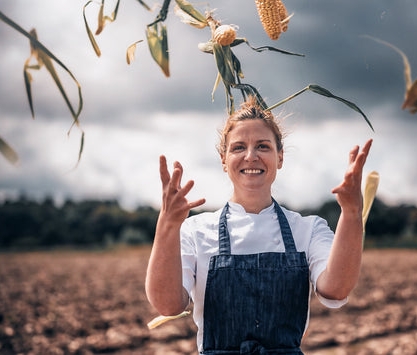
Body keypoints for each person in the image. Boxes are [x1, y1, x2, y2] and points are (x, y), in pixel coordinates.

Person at [145, 97, 373, 354]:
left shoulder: (308, 229)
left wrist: (351, 213)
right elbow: (168, 305)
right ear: (223, 159)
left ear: (280, 157)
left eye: (263, 146)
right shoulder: (195, 231)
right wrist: (166, 225)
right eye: (238, 147)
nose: (250, 156)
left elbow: (336, 288)